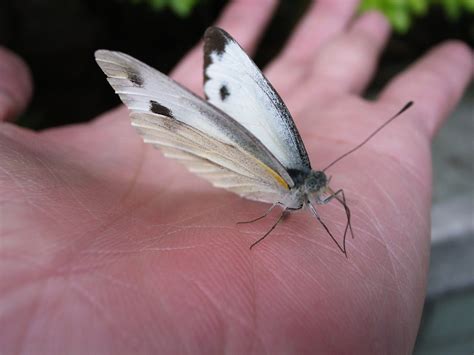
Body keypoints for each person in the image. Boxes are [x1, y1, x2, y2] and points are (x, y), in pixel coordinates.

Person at [1, 0, 472, 353]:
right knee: (281, 173)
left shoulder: (314, 184)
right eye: (322, 187)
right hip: (225, 153)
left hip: (254, 171)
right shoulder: (295, 179)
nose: (327, 187)